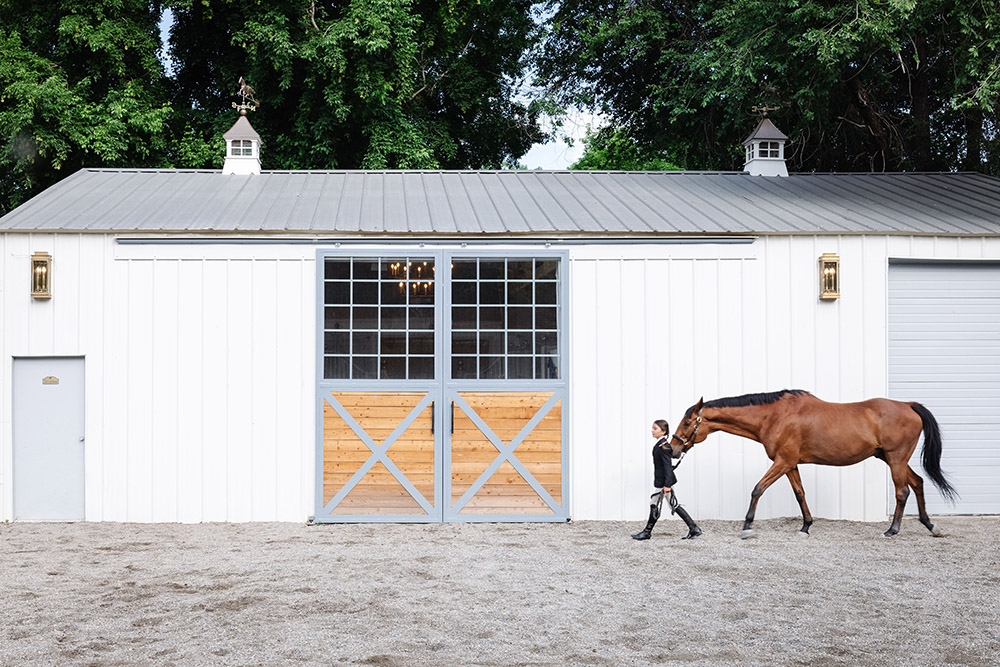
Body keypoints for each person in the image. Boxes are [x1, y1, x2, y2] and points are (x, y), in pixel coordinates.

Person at [631, 419, 702, 540]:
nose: (652, 431)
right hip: (663, 481)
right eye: (652, 428)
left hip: (664, 482)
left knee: (655, 503)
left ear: (663, 431)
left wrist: (667, 485)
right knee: (672, 504)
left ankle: (647, 532)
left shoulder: (664, 447)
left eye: (655, 429)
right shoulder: (660, 445)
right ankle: (694, 528)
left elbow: (668, 468)